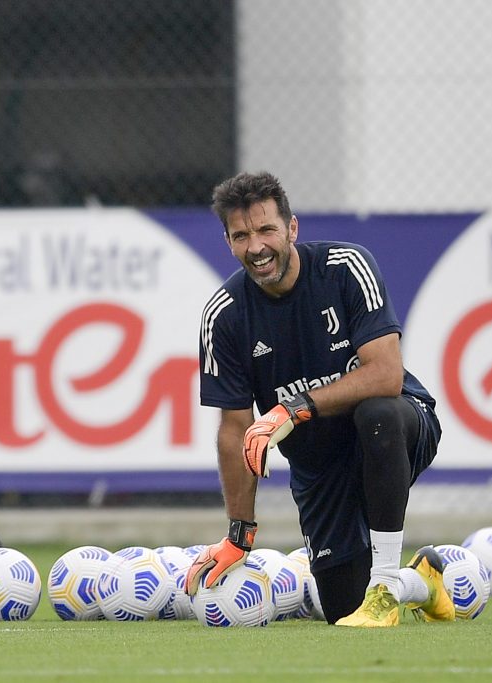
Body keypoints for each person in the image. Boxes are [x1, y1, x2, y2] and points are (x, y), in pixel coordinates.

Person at [184, 170, 454, 627]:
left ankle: (386, 580)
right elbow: (234, 429)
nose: (256, 247)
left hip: (397, 428)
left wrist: (294, 406)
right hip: (319, 467)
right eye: (241, 236)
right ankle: (420, 581)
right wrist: (239, 534)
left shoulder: (347, 266)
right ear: (228, 242)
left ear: (291, 228)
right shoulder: (224, 317)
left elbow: (386, 375)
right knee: (342, 609)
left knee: (379, 413)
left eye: (266, 229)